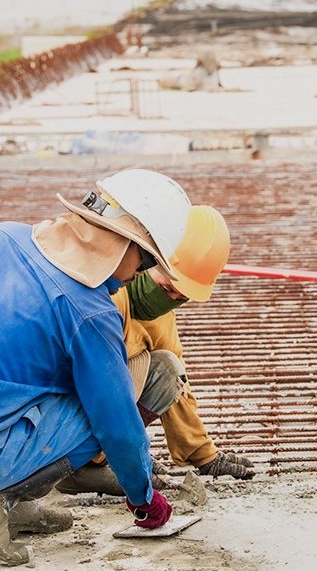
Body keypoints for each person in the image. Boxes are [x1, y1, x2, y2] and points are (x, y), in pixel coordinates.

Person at [0, 169, 197, 566]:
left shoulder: (2, 236)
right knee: (147, 383)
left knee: (61, 380)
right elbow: (118, 426)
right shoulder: (88, 311)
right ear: (127, 245)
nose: (136, 276)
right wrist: (145, 500)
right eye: (145, 263)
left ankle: (18, 505)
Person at [55, 205, 255, 499]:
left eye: (181, 297)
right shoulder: (107, 295)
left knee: (167, 369)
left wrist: (203, 454)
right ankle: (78, 467)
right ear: (149, 259)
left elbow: (178, 385)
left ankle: (93, 460)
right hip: (58, 404)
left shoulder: (160, 315)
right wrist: (132, 461)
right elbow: (104, 387)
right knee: (111, 380)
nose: (170, 299)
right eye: (167, 287)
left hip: (91, 404)